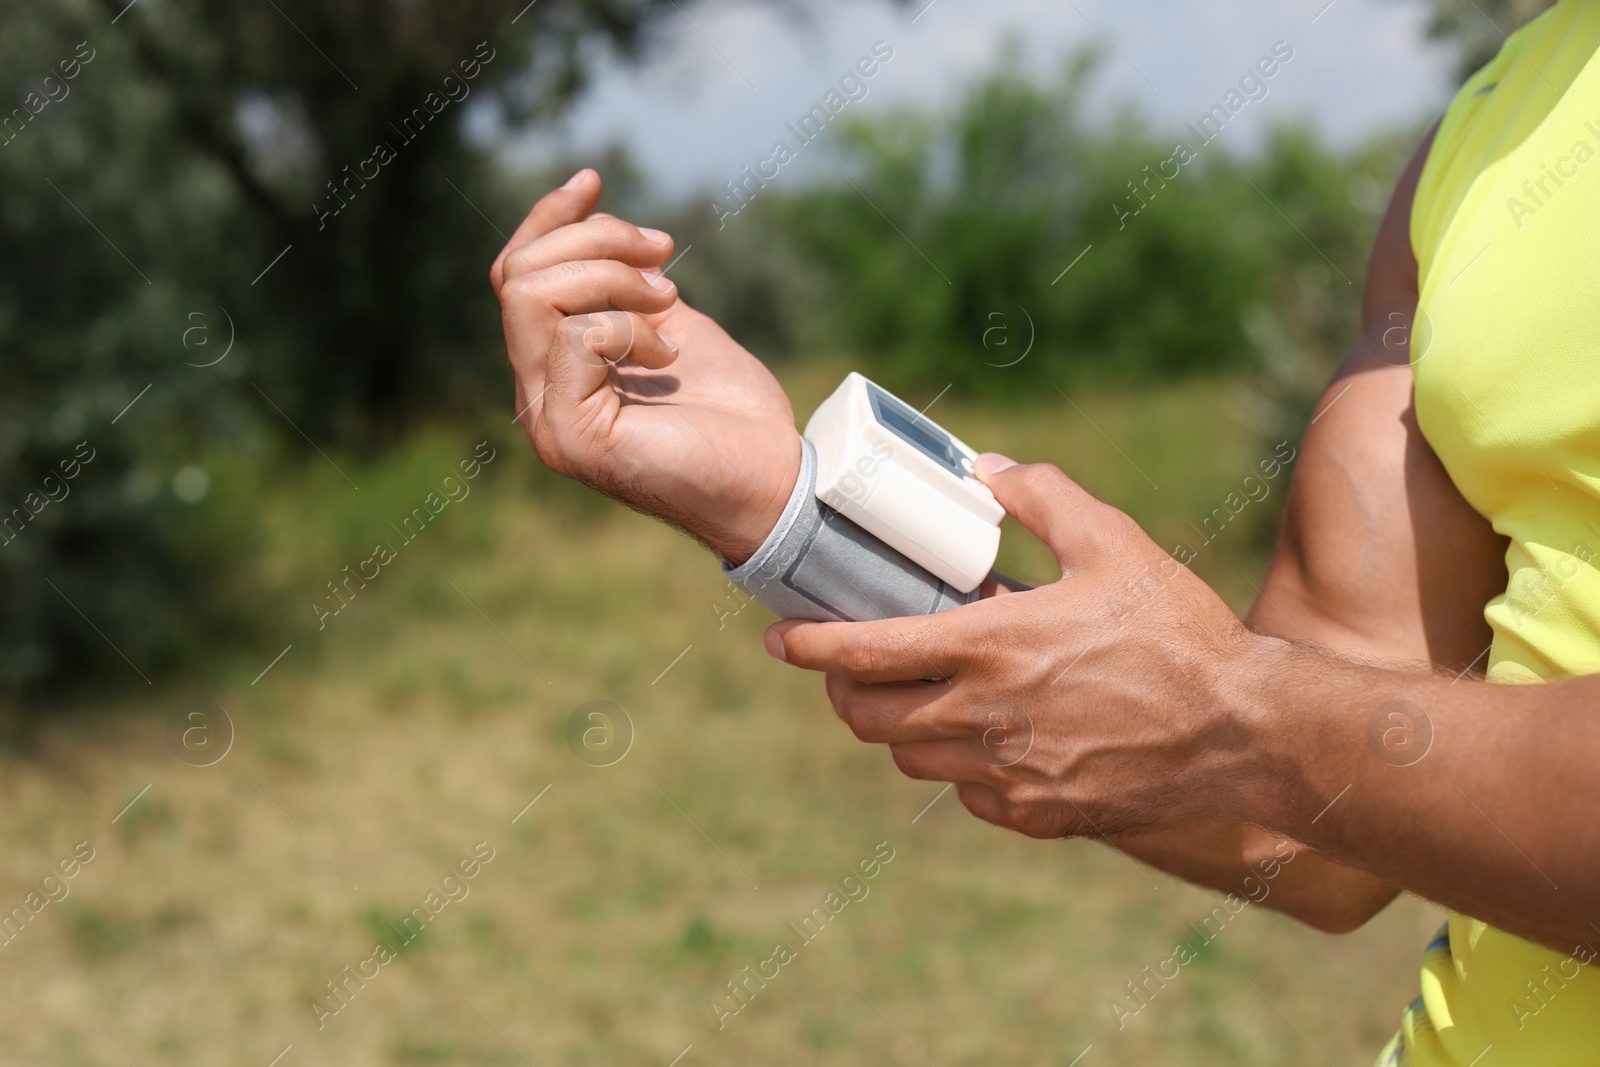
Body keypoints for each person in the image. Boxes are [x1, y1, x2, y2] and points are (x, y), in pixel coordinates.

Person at [490, 4, 1600, 1062]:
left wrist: (1227, 707)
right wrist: (789, 507)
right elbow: (1307, 823)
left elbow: (1248, 719)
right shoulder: (1485, 136)